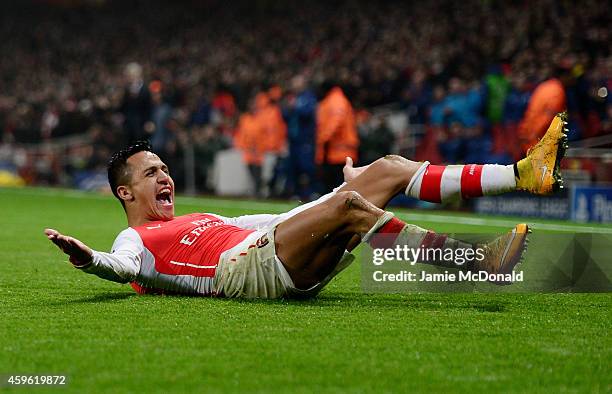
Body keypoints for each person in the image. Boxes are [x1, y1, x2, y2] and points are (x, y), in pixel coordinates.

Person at [44, 114, 568, 299]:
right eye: (151, 173)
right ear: (124, 193)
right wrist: (90, 259)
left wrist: (338, 194)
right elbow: (122, 267)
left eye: (164, 168)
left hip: (270, 253)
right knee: (354, 209)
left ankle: (524, 174)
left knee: (383, 168)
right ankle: (478, 264)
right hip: (246, 274)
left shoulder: (195, 219)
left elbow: (278, 221)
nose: (166, 177)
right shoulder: (135, 240)